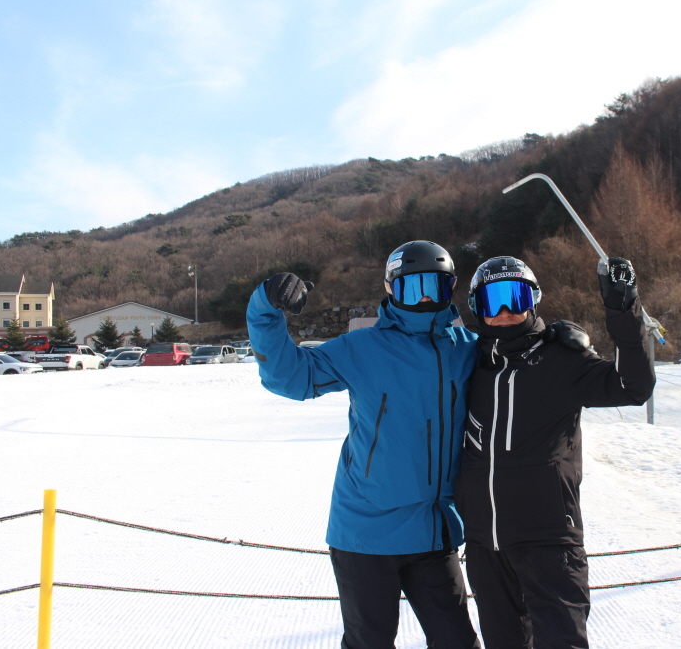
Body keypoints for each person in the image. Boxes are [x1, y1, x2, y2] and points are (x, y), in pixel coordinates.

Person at [246, 240, 481, 649]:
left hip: (433, 532)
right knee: (369, 643)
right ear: (390, 289)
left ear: (452, 287)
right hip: (366, 533)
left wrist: (554, 339)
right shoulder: (363, 348)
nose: (424, 298)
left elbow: (521, 360)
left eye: (435, 286)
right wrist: (265, 307)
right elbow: (290, 378)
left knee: (458, 641)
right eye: (412, 287)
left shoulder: (469, 349)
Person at [455, 255, 655, 649]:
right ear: (477, 307)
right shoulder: (468, 363)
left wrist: (623, 312)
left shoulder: (562, 359)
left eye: (516, 297)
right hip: (484, 546)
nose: (506, 311)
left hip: (549, 541)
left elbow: (633, 387)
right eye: (493, 300)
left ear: (533, 300)